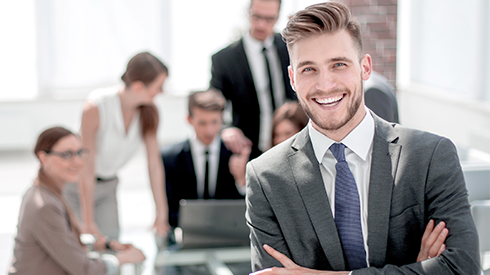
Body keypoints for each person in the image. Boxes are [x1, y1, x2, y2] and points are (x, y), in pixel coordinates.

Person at [246, 2, 480, 274]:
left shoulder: (430, 156)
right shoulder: (266, 178)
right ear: (293, 78)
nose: (325, 84)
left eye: (338, 64)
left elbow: (462, 268)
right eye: (308, 69)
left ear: (365, 68)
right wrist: (416, 269)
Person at [9, 127, 145, 275]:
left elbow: (64, 242)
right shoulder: (45, 205)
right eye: (67, 155)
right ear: (43, 158)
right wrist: (122, 260)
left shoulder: (45, 192)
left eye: (79, 153)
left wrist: (107, 244)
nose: (77, 161)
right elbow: (84, 269)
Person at [64, 52, 170, 239]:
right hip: (75, 186)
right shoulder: (96, 107)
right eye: (159, 87)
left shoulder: (149, 112)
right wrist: (88, 222)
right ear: (138, 87)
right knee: (77, 250)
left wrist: (161, 212)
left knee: (111, 248)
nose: (162, 92)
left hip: (107, 187)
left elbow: (154, 164)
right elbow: (87, 167)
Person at [210, 0, 297, 158]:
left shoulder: (291, 48)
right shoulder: (224, 59)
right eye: (256, 17)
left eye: (269, 19)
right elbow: (213, 104)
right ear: (248, 12)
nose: (261, 25)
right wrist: (226, 129)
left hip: (289, 146)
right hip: (247, 150)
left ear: (278, 17)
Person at [161, 89, 246, 228]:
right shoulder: (170, 158)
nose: (209, 130)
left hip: (228, 234)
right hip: (186, 234)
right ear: (189, 119)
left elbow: (246, 208)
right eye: (202, 123)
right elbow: (169, 208)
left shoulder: (235, 154)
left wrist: (242, 181)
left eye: (214, 122)